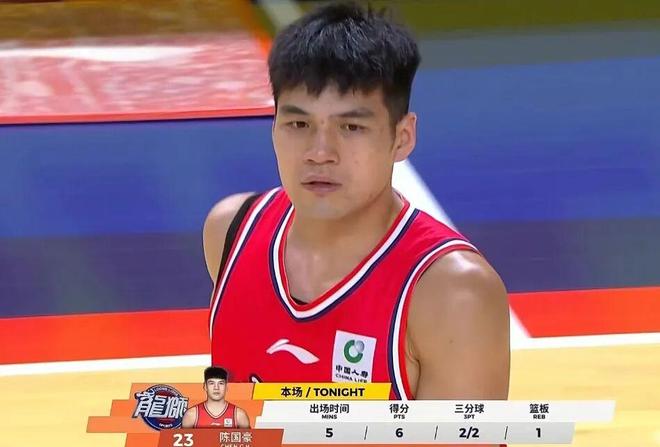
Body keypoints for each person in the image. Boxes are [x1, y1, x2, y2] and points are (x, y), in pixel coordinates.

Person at [204, 2, 509, 401]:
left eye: (351, 126)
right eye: (299, 124)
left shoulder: (453, 293)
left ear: (402, 138)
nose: (320, 152)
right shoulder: (229, 231)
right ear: (273, 128)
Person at [181, 366, 250, 429]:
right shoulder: (192, 415)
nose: (216, 388)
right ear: (205, 386)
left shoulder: (239, 415)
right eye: (211, 383)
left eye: (221, 383)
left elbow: (249, 438)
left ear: (226, 387)